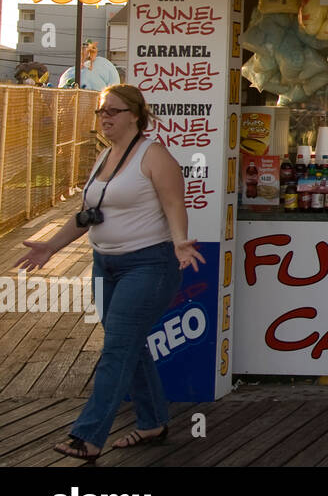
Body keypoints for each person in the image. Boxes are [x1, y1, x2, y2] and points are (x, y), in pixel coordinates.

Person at [14, 85, 204, 461]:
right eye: (101, 112)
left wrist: (181, 241)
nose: (105, 118)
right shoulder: (105, 156)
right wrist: (51, 246)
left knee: (117, 348)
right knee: (129, 347)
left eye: (113, 112)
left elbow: (174, 205)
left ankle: (87, 435)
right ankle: (152, 423)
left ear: (135, 114)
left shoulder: (155, 156)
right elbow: (89, 214)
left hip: (149, 265)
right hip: (106, 264)